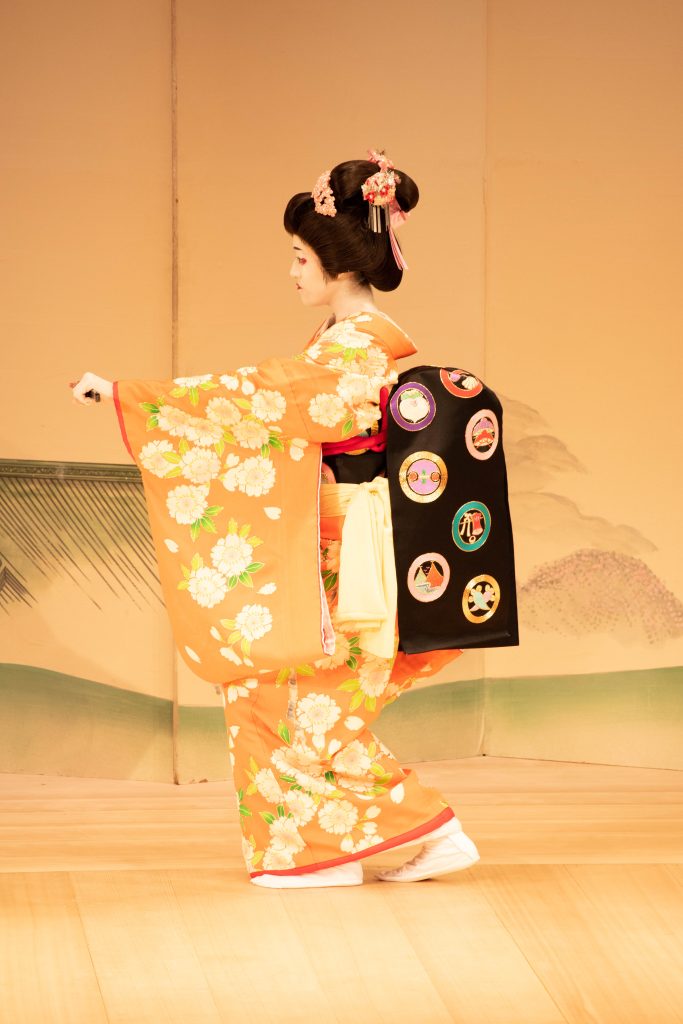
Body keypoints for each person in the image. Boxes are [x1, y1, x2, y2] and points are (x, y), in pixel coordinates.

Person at [70, 150, 481, 888]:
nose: (292, 271)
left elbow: (254, 398)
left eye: (299, 257)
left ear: (339, 266)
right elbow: (268, 401)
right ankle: (344, 849)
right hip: (327, 549)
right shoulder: (339, 343)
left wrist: (130, 395)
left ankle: (403, 834)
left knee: (301, 707)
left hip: (351, 557)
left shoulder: (354, 352)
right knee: (279, 700)